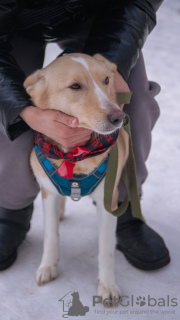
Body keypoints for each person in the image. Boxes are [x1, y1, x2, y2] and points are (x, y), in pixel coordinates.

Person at [0, 0, 170, 271]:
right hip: (8, 28)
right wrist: (26, 113)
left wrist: (114, 64)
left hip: (99, 12)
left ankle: (123, 204)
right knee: (8, 114)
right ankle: (11, 207)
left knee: (133, 102)